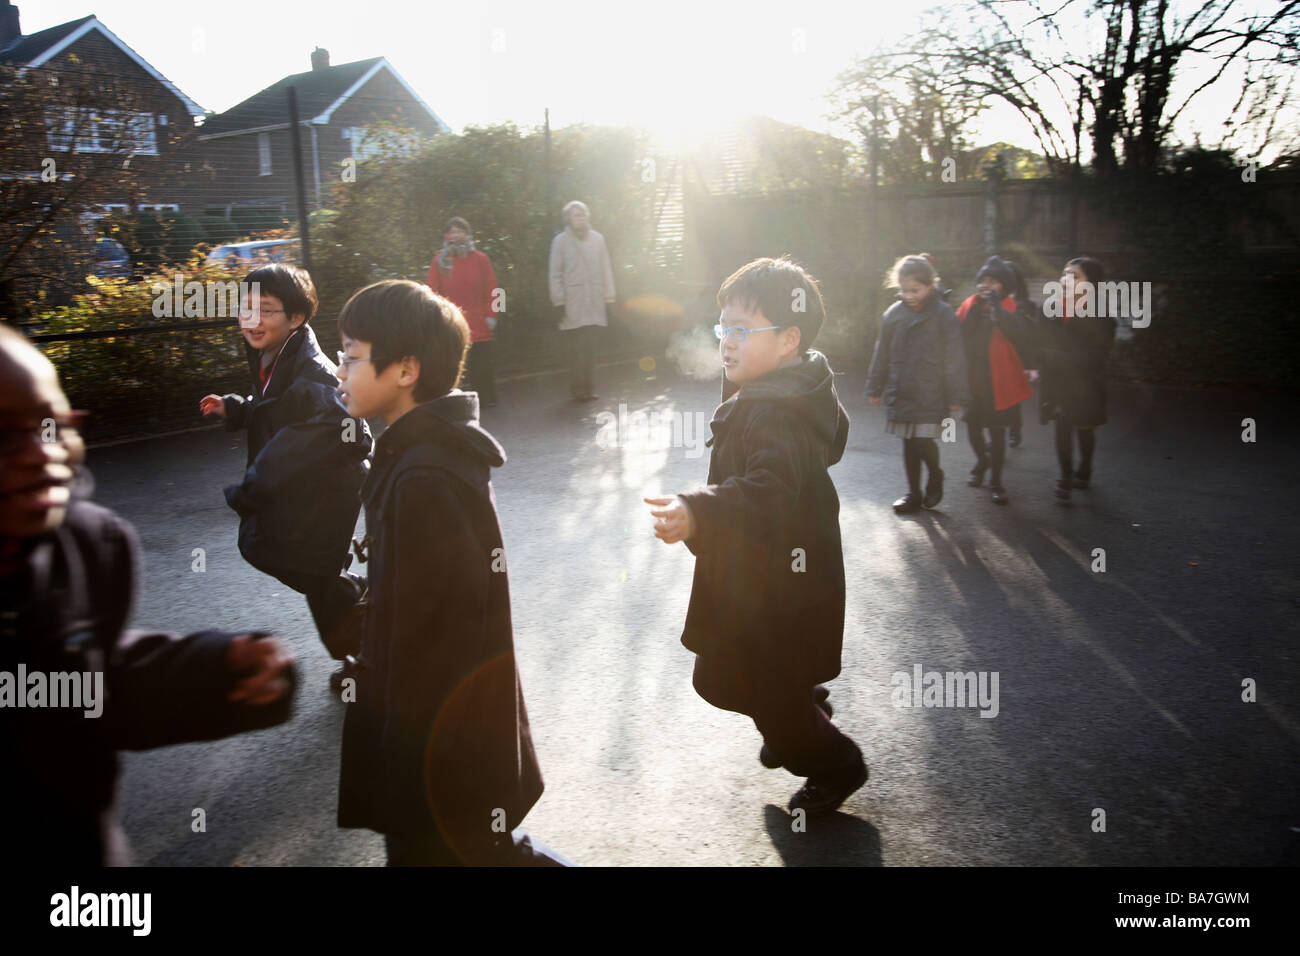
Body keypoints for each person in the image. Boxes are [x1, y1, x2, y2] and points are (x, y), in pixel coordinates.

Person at [0, 324, 296, 866]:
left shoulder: (90, 548)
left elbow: (89, 686)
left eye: (49, 426)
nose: (33, 453)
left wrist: (218, 668)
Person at [332, 279, 562, 865]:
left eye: (352, 356)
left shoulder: (424, 478)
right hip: (448, 732)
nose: (339, 369)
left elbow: (433, 635)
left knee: (449, 849)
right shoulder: (419, 454)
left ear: (405, 369)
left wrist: (410, 747)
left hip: (438, 737)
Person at [645, 257, 866, 817]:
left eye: (743, 331)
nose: (726, 342)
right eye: (724, 329)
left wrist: (699, 510)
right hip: (770, 577)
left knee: (754, 681)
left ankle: (834, 762)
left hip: (779, 586)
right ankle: (799, 709)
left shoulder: (777, 413)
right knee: (732, 675)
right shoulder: (778, 389)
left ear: (790, 339)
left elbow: (767, 493)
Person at [199, 265, 372, 692]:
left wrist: (256, 484)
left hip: (327, 492)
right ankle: (365, 625)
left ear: (296, 318)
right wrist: (238, 408)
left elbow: (347, 431)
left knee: (313, 574)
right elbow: (277, 408)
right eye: (247, 308)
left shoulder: (310, 370)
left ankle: (367, 655)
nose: (252, 320)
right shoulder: (274, 354)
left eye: (267, 310)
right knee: (310, 572)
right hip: (305, 492)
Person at [866, 255, 969, 514]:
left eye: (915, 290)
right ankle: (913, 493)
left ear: (930, 285)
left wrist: (957, 395)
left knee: (923, 440)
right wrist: (874, 387)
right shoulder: (893, 315)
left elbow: (955, 357)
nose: (909, 295)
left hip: (932, 392)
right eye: (904, 290)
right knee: (908, 442)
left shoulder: (943, 314)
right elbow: (882, 353)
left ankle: (935, 475)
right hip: (902, 389)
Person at [955, 256, 1037, 505]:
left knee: (998, 433)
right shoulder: (969, 305)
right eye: (982, 280)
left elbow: (1021, 335)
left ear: (1004, 286)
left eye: (993, 281)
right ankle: (982, 461)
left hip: (1001, 382)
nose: (985, 285)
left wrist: (998, 310)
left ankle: (996, 481)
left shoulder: (1013, 307)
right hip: (973, 381)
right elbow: (956, 332)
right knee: (972, 427)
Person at [1038, 256, 1117, 501]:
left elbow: (1096, 356)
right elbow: (1040, 343)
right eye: (1065, 274)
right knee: (1062, 427)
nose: (1066, 279)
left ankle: (1085, 470)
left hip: (1086, 385)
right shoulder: (1052, 309)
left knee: (1084, 430)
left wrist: (1058, 357)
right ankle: (1065, 477)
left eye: (1075, 275)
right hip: (1058, 384)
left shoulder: (1101, 314)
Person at [425, 217, 502, 408]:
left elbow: (496, 290)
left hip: (480, 323)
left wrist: (493, 315)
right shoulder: (439, 262)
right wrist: (437, 318)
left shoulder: (481, 259)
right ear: (446, 236)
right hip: (452, 323)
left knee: (483, 365)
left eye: (460, 231)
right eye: (452, 231)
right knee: (453, 366)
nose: (456, 235)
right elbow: (431, 292)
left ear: (467, 234)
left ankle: (487, 399)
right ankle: (457, 405)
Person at [548, 200, 615, 402]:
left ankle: (589, 388)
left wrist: (609, 298)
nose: (581, 218)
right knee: (576, 350)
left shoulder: (598, 239)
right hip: (572, 303)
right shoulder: (560, 241)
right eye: (576, 215)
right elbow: (555, 273)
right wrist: (558, 301)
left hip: (594, 302)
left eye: (583, 214)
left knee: (590, 350)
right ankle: (577, 389)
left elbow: (606, 269)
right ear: (568, 219)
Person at [1004, 260, 1036, 447]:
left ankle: (1015, 430)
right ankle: (998, 431)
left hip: (1017, 356)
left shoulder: (1026, 304)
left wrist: (1031, 364)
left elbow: (1031, 336)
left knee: (1013, 395)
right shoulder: (994, 299)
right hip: (998, 351)